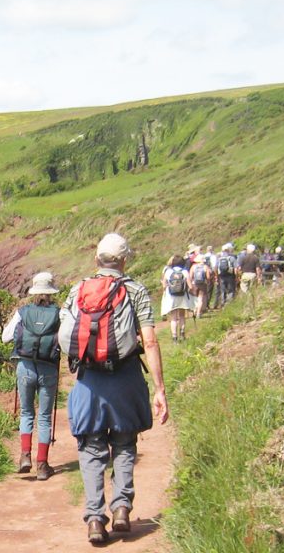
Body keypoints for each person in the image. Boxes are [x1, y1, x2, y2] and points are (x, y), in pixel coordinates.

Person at [58, 233, 169, 543]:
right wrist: (160, 389)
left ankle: (95, 518)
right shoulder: (135, 291)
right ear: (124, 260)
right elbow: (149, 340)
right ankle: (121, 508)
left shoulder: (77, 290)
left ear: (97, 260)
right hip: (126, 378)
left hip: (89, 382)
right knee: (124, 444)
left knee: (91, 450)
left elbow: (65, 336)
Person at [2, 272, 62, 481]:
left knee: (27, 413)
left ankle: (25, 457)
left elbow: (5, 337)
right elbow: (66, 341)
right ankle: (43, 466)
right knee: (44, 417)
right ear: (52, 292)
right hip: (49, 369)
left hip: (25, 367)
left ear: (34, 291)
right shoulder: (58, 314)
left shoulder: (23, 312)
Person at [161, 254, 194, 343]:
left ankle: (174, 337)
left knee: (173, 318)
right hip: (182, 296)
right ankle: (182, 334)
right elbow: (190, 286)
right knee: (182, 316)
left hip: (171, 297)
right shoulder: (185, 272)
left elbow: (164, 285)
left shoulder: (168, 272)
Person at [213, 243, 237, 308]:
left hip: (221, 276)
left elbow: (215, 268)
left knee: (223, 290)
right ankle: (229, 304)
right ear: (229, 250)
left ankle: (223, 303)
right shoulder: (232, 258)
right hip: (230, 276)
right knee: (230, 289)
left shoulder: (219, 258)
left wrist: (216, 276)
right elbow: (235, 268)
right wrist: (236, 276)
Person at [188, 254, 212, 318]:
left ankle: (195, 311)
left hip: (194, 284)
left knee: (194, 299)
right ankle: (198, 313)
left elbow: (190, 276)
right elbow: (208, 277)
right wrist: (208, 281)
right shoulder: (205, 267)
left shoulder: (193, 266)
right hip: (203, 284)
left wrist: (190, 283)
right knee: (200, 299)